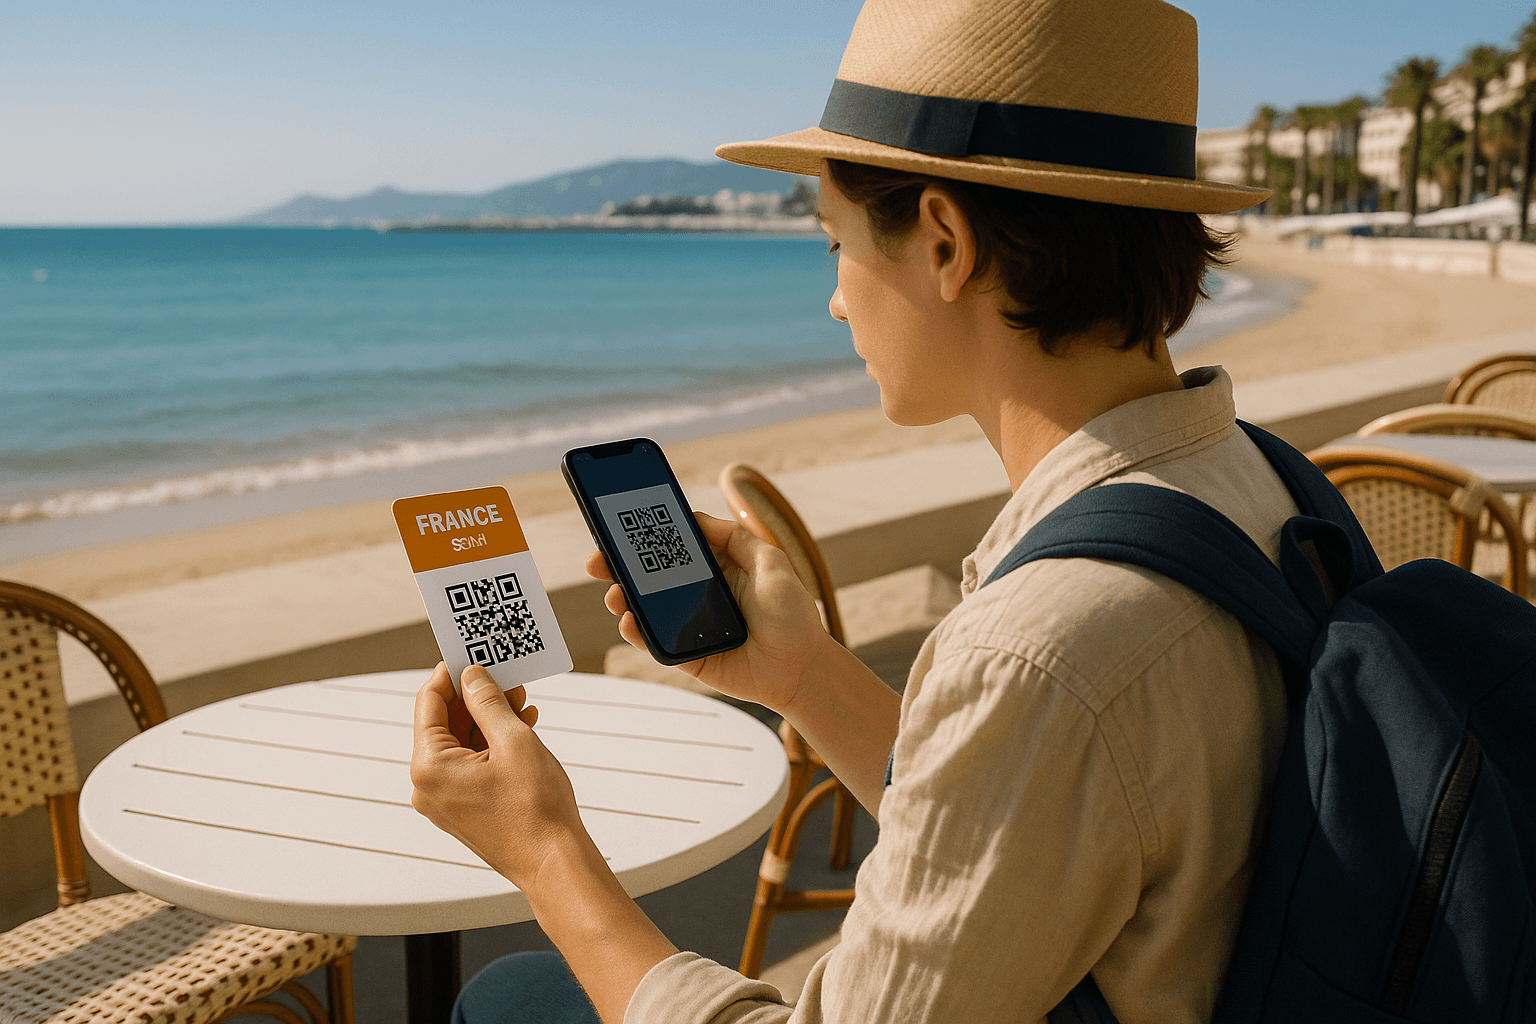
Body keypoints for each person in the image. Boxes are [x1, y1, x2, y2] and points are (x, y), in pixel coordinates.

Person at [409, 0, 1288, 1021]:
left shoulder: (1047, 647)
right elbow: (1029, 823)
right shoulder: (1255, 483)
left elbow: (1046, 726)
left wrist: (546, 851)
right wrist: (809, 676)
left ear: (944, 243)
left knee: (509, 993)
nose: (834, 298)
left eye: (833, 242)